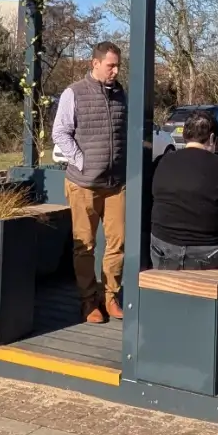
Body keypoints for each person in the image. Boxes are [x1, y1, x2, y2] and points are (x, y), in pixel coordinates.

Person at [52, 41, 127, 323]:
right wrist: (82, 162)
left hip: (116, 183)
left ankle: (110, 297)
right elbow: (60, 133)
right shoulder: (74, 93)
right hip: (83, 184)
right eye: (111, 65)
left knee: (118, 241)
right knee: (84, 245)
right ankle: (88, 302)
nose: (115, 71)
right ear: (94, 64)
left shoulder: (121, 94)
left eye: (118, 65)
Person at [148, 110, 218, 269]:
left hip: (162, 250)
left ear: (185, 136)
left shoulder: (163, 161)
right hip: (209, 254)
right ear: (211, 138)